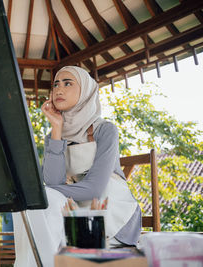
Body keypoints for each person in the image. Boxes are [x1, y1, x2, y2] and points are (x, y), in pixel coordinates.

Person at [12, 66, 141, 267]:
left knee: (40, 201)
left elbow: (94, 188)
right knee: (32, 206)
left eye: (67, 83)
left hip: (115, 218)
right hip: (77, 216)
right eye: (55, 84)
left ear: (85, 91)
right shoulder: (54, 137)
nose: (59, 90)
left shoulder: (105, 130)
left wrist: (37, 192)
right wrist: (56, 129)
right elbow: (53, 182)